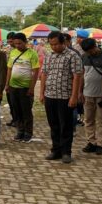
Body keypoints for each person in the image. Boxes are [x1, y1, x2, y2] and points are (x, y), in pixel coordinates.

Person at [40, 31, 83, 164]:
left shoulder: (72, 56)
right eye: (51, 44)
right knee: (53, 125)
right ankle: (55, 150)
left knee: (66, 126)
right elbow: (44, 75)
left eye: (56, 44)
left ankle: (66, 152)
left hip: (65, 96)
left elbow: (77, 76)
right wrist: (42, 93)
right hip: (50, 96)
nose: (54, 47)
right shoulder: (49, 56)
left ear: (63, 42)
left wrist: (74, 96)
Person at [79, 38, 102, 155]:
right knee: (88, 119)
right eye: (87, 51)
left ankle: (100, 144)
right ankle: (91, 141)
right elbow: (82, 75)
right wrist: (80, 91)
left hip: (101, 95)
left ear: (95, 46)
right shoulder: (84, 57)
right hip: (87, 94)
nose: (90, 53)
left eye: (91, 50)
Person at [5, 32, 40, 142]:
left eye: (20, 43)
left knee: (26, 111)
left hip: (25, 87)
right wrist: (7, 84)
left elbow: (35, 71)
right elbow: (9, 69)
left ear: (25, 42)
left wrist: (31, 88)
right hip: (13, 86)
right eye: (15, 44)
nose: (17, 46)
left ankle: (28, 132)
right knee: (16, 110)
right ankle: (20, 130)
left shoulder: (32, 54)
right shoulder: (13, 52)